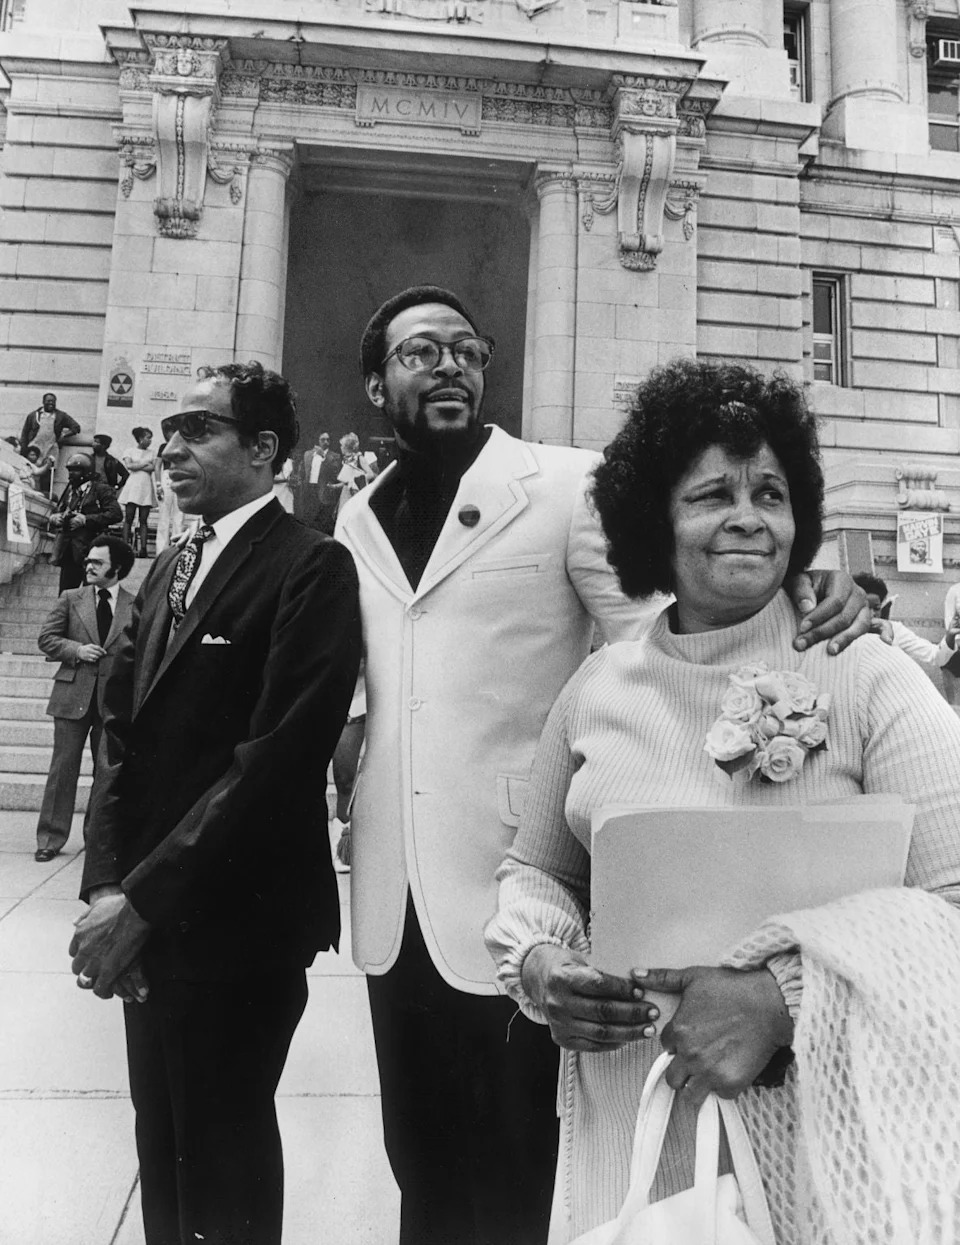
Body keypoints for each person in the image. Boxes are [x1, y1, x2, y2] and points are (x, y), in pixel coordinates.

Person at [334, 285, 870, 1245]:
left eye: (466, 345)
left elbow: (671, 648)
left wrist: (806, 599)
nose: (449, 363)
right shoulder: (357, 516)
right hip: (394, 896)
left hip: (529, 888)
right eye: (421, 352)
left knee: (515, 1178)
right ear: (378, 384)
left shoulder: (560, 488)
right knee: (419, 1162)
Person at [484, 358, 960, 1245]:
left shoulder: (867, 675)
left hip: (824, 1149)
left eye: (770, 493)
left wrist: (779, 999)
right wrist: (542, 965)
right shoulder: (596, 689)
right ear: (653, 522)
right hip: (631, 1137)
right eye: (711, 495)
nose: (747, 516)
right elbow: (534, 868)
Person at [69, 361, 362, 1245]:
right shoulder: (162, 569)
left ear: (264, 449)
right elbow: (117, 736)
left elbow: (273, 763)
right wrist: (104, 890)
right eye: (167, 431)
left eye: (197, 429)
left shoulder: (313, 566)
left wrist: (143, 902)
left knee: (222, 1159)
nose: (169, 450)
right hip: (144, 920)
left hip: (239, 927)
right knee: (162, 1154)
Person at [34, 536, 135, 863]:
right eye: (88, 560)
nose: (88, 566)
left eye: (97, 562)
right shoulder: (70, 597)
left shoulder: (135, 606)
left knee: (106, 774)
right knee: (62, 769)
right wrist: (76, 650)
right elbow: (47, 638)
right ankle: (50, 838)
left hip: (113, 702)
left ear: (117, 569)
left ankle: (97, 839)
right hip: (71, 695)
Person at [48, 452, 122, 592]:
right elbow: (59, 511)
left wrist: (86, 520)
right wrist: (55, 517)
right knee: (66, 594)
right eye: (69, 470)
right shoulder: (70, 491)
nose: (71, 474)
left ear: (87, 471)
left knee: (91, 595)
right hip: (69, 551)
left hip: (92, 549)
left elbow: (116, 514)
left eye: (75, 470)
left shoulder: (101, 489)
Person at [853, 572, 954, 668]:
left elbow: (935, 656)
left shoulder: (895, 630)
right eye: (865, 607)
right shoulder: (841, 632)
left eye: (876, 608)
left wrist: (950, 635)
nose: (872, 614)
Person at [118, 426, 157, 557]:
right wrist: (145, 464)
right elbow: (129, 466)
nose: (150, 441)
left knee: (144, 519)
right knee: (129, 517)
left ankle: (143, 549)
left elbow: (153, 468)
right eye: (147, 438)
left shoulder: (152, 452)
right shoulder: (129, 451)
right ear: (140, 439)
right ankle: (125, 546)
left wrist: (138, 466)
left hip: (145, 486)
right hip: (133, 485)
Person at [20, 391, 80, 461]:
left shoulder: (61, 416)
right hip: (34, 449)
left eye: (53, 401)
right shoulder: (33, 415)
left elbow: (76, 427)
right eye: (48, 401)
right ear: (43, 402)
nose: (51, 403)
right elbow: (25, 433)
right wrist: (23, 450)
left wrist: (64, 435)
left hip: (51, 450)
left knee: (49, 470)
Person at [153, 439, 186, 554]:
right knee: (164, 516)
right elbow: (157, 465)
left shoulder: (184, 444)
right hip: (166, 477)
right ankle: (161, 551)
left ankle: (177, 549)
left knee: (179, 515)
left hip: (181, 475)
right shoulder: (163, 446)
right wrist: (158, 484)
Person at [336, 431, 378, 516]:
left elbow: (371, 474)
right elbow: (346, 480)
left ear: (347, 447)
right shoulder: (346, 460)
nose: (340, 447)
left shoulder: (359, 458)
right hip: (346, 492)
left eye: (342, 445)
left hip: (355, 492)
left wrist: (355, 479)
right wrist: (336, 486)